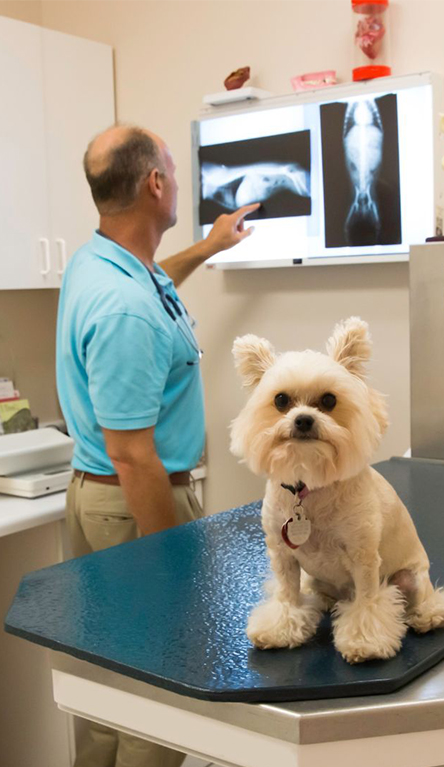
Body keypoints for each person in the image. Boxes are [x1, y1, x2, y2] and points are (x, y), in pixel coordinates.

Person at [55, 124, 258, 767]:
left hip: (97, 499)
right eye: (174, 169)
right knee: (158, 701)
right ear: (155, 184)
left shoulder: (103, 263)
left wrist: (206, 247)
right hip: (133, 503)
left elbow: (153, 285)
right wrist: (171, 557)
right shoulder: (124, 306)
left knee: (106, 690)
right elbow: (133, 454)